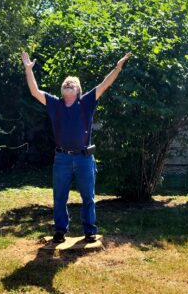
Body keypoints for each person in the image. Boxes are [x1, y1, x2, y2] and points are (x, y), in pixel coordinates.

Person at [22, 51, 132, 243]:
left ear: (79, 90)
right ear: (62, 90)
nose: (69, 84)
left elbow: (105, 84)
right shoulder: (54, 104)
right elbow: (34, 91)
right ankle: (60, 231)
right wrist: (28, 69)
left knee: (88, 197)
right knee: (59, 198)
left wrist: (118, 67)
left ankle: (90, 231)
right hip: (62, 159)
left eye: (73, 83)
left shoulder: (87, 102)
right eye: (66, 83)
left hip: (84, 158)